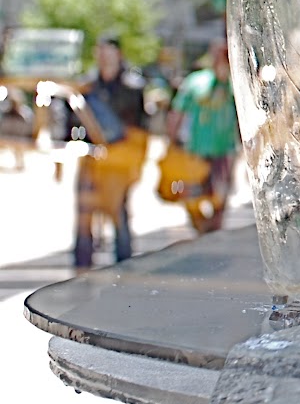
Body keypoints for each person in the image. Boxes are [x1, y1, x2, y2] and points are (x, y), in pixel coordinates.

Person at [61, 36, 148, 269]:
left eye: (109, 51)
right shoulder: (86, 87)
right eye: (101, 51)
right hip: (91, 159)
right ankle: (81, 267)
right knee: (84, 215)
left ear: (118, 54)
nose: (104, 56)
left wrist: (136, 165)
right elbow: (71, 122)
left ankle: (124, 267)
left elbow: (141, 130)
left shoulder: (132, 87)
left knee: (118, 214)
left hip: (119, 161)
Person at [167, 39, 239, 234]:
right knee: (192, 197)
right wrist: (172, 141)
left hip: (224, 150)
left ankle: (214, 231)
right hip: (196, 149)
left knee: (220, 198)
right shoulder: (195, 81)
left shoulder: (235, 83)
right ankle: (201, 231)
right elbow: (178, 111)